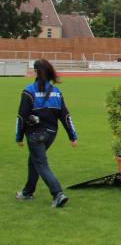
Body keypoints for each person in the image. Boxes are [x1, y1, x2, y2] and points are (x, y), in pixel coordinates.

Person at [15, 59, 77, 207]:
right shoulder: (56, 92)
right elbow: (66, 116)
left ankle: (58, 194)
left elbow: (21, 117)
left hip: (35, 135)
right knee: (34, 160)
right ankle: (27, 192)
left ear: (36, 72)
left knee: (41, 163)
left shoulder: (29, 91)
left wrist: (19, 137)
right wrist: (72, 136)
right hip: (51, 134)